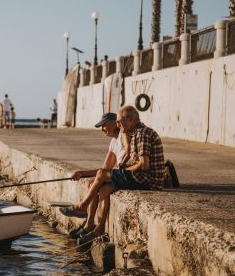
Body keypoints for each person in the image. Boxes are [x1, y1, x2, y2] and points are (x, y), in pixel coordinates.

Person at [64, 105, 165, 245]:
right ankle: (98, 228)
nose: (118, 125)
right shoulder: (136, 132)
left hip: (148, 180)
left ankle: (82, 206)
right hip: (142, 176)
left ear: (132, 120)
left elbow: (144, 164)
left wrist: (123, 171)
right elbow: (129, 157)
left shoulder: (143, 134)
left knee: (100, 175)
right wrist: (83, 174)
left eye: (120, 122)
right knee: (104, 189)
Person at [59, 112, 126, 242]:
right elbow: (105, 168)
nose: (102, 130)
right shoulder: (113, 142)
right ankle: (89, 224)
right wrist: (83, 174)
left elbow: (108, 170)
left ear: (114, 123)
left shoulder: (124, 138)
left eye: (104, 126)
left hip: (124, 175)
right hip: (117, 175)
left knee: (102, 189)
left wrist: (88, 174)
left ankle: (83, 208)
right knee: (91, 183)